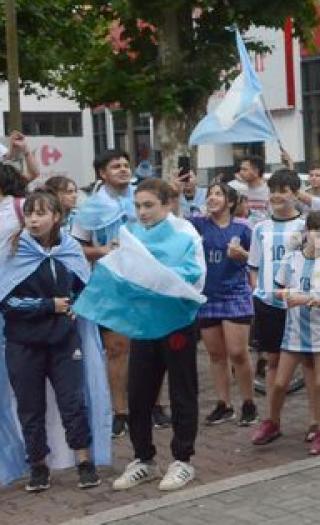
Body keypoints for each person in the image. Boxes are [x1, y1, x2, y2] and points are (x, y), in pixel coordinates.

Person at [0, 190, 101, 492]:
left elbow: (85, 288)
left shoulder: (69, 248)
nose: (33, 219)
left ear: (57, 217)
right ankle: (38, 466)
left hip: (63, 340)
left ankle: (85, 462)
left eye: (41, 213)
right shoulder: (12, 250)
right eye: (29, 213)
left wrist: (75, 306)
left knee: (73, 402)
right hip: (23, 342)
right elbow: (6, 302)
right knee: (30, 407)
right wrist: (49, 306)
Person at [109, 178, 205, 492]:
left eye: (149, 205)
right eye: (137, 206)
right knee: (139, 393)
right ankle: (143, 459)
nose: (142, 212)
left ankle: (182, 460)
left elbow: (196, 279)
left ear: (167, 204)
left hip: (177, 322)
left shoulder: (185, 233)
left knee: (182, 391)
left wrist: (160, 280)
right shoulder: (133, 234)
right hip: (145, 324)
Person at [253, 211, 320, 455]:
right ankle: (271, 422)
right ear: (306, 231)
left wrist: (309, 299)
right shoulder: (291, 259)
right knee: (280, 382)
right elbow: (278, 290)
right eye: (314, 229)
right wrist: (286, 296)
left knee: (319, 383)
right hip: (293, 333)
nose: (318, 235)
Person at [72, 150, 135, 439]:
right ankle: (120, 410)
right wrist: (102, 250)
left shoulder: (144, 197)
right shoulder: (89, 209)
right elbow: (75, 249)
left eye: (125, 165)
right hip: (109, 285)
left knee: (149, 344)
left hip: (145, 283)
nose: (123, 169)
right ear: (102, 173)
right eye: (115, 166)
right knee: (117, 348)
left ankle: (155, 405)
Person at [189, 183, 258, 427]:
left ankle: (249, 402)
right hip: (207, 295)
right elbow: (175, 222)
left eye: (218, 194)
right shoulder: (197, 224)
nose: (212, 198)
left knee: (238, 352)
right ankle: (224, 404)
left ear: (230, 202)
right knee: (216, 354)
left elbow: (259, 259)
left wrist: (244, 256)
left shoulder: (244, 228)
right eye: (209, 194)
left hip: (236, 294)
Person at [246, 170, 306, 441]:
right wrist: (259, 292)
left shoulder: (307, 227)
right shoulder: (260, 228)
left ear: (295, 193)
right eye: (274, 190)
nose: (277, 196)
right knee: (272, 362)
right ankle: (272, 420)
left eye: (284, 190)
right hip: (268, 305)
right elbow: (254, 266)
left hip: (299, 305)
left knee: (309, 364)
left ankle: (317, 424)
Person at [229, 155, 270, 226]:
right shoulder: (235, 188)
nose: (241, 172)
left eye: (245, 169)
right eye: (240, 169)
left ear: (256, 171)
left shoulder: (270, 190)